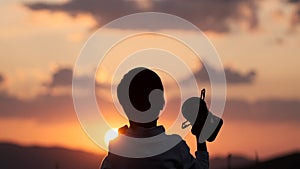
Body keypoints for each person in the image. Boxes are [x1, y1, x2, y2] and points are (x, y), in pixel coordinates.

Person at [100, 67, 209, 169]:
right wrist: (201, 136)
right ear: (161, 103)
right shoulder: (175, 148)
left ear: (125, 106)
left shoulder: (117, 152)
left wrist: (121, 143)